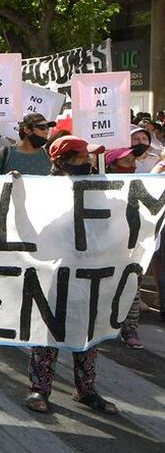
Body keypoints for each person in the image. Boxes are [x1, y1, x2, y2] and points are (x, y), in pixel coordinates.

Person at [26, 135, 118, 415]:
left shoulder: (97, 187)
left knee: (88, 330)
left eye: (88, 156)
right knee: (49, 331)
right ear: (61, 161)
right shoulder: (46, 192)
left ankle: (86, 390)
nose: (88, 161)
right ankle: (39, 389)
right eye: (80, 157)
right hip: (57, 272)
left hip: (92, 271)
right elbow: (36, 231)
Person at [105, 146, 144, 348]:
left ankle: (129, 327)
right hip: (103, 246)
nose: (133, 165)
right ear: (111, 164)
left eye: (133, 161)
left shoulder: (141, 184)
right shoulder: (97, 184)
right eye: (126, 162)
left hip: (130, 245)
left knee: (132, 283)